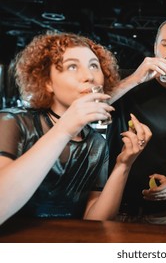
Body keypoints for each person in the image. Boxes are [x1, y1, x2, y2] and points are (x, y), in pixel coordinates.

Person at [0, 32, 151, 225]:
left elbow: (95, 219)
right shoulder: (12, 122)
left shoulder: (96, 143)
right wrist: (65, 129)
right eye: (72, 66)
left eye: (94, 66)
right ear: (47, 82)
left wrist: (124, 165)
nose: (89, 76)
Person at [106, 17, 166, 225]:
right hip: (109, 206)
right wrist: (135, 78)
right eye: (165, 43)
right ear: (156, 47)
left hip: (157, 215)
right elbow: (90, 105)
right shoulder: (128, 82)